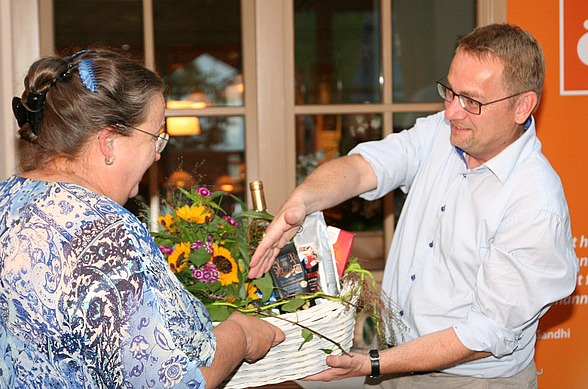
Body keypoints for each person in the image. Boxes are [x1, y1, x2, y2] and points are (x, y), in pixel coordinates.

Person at [248, 23, 578, 388]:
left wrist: (371, 364)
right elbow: (362, 170)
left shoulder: (534, 204)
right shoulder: (443, 130)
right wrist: (300, 203)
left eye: (472, 101)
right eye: (450, 92)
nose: (452, 112)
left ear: (523, 106)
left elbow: (484, 334)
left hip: (469, 381)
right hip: (396, 362)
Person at [0, 48, 284, 388]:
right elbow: (172, 383)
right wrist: (241, 335)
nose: (158, 152)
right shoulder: (107, 235)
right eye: (155, 135)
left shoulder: (7, 199)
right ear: (109, 142)